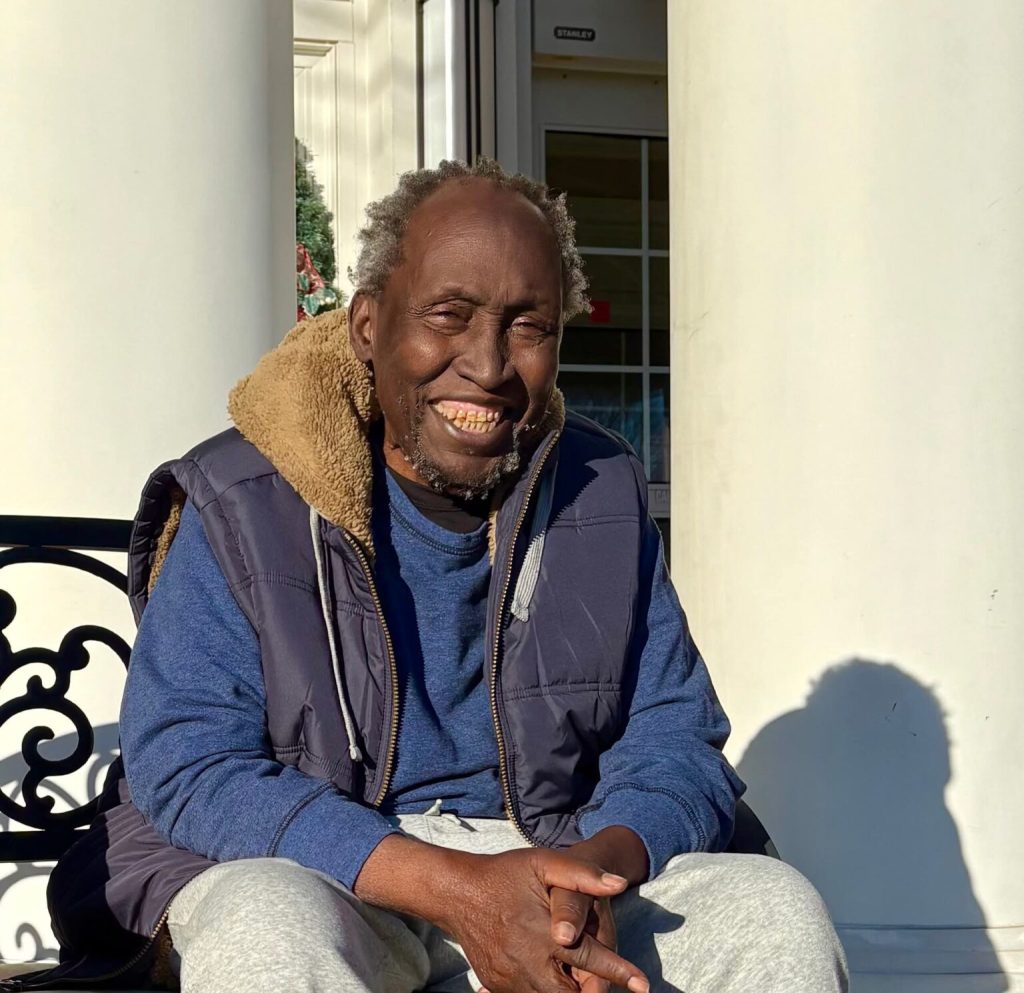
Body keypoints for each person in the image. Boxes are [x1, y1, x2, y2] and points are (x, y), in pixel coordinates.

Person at [7, 159, 848, 993]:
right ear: (368, 325)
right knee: (265, 923)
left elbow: (674, 735)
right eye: (449, 314)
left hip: (557, 859)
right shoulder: (244, 497)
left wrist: (596, 872)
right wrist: (454, 887)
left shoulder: (602, 490)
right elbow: (190, 761)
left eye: (529, 326)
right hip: (331, 868)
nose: (488, 364)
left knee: (772, 911)